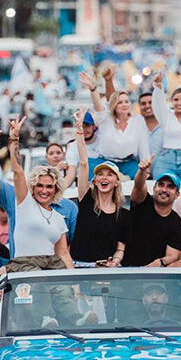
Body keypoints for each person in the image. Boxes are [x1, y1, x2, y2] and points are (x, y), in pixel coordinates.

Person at [0, 119, 78, 257]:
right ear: (32, 185)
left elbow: (66, 251)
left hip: (54, 269)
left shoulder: (68, 209)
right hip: (23, 268)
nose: (44, 191)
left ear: (56, 189)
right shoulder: (18, 200)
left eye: (49, 187)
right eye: (39, 185)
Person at [69, 110, 130, 266]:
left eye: (109, 175)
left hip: (105, 269)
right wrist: (79, 130)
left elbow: (120, 249)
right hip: (79, 266)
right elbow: (83, 163)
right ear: (95, 181)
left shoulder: (123, 214)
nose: (104, 177)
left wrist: (114, 262)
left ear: (116, 182)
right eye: (100, 174)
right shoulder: (86, 200)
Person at [80, 71, 150, 179]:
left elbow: (143, 145)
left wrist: (146, 166)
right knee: (91, 173)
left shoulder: (138, 121)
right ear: (114, 105)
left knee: (138, 179)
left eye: (126, 102)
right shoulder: (105, 118)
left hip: (128, 164)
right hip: (106, 162)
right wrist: (93, 89)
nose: (124, 105)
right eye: (120, 102)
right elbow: (97, 105)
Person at [123, 157, 181, 267]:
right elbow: (139, 185)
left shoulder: (177, 224)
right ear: (154, 188)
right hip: (127, 269)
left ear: (177, 194)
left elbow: (173, 255)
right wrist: (142, 171)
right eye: (161, 184)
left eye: (170, 187)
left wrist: (159, 263)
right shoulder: (142, 202)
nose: (164, 190)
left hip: (155, 273)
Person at [63, 111, 101, 184]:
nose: (83, 129)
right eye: (81, 126)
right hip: (85, 187)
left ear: (94, 126)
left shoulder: (104, 143)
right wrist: (60, 188)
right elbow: (71, 174)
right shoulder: (73, 147)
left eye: (87, 126)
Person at [138, 92, 163, 158]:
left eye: (151, 102)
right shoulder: (135, 127)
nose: (147, 106)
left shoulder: (166, 126)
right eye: (143, 104)